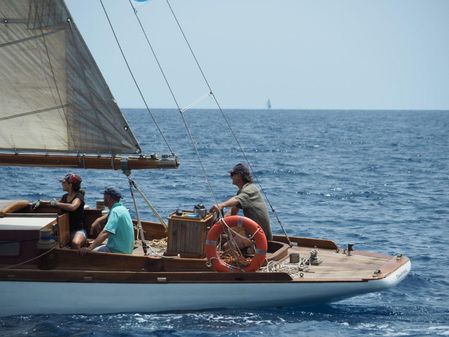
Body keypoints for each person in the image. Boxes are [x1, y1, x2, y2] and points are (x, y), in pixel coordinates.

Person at [209, 163, 273, 241]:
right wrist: (219, 224)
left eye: (233, 174)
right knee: (228, 230)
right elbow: (233, 211)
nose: (231, 176)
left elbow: (237, 199)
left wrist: (222, 205)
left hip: (260, 235)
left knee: (226, 247)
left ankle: (250, 248)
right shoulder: (243, 191)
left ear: (239, 175)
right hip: (255, 231)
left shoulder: (249, 190)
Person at [81, 187, 134, 254]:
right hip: (127, 249)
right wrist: (99, 219)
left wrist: (89, 248)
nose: (103, 199)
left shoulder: (115, 212)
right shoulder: (122, 208)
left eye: (104, 197)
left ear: (108, 198)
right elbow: (111, 214)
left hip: (116, 251)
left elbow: (105, 233)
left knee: (89, 254)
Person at [43, 173, 86, 249]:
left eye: (63, 182)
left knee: (75, 243)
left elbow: (73, 207)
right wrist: (42, 202)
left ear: (70, 185)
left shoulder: (79, 196)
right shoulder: (64, 197)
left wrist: (56, 203)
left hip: (78, 231)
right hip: (65, 231)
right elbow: (57, 204)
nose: (62, 184)